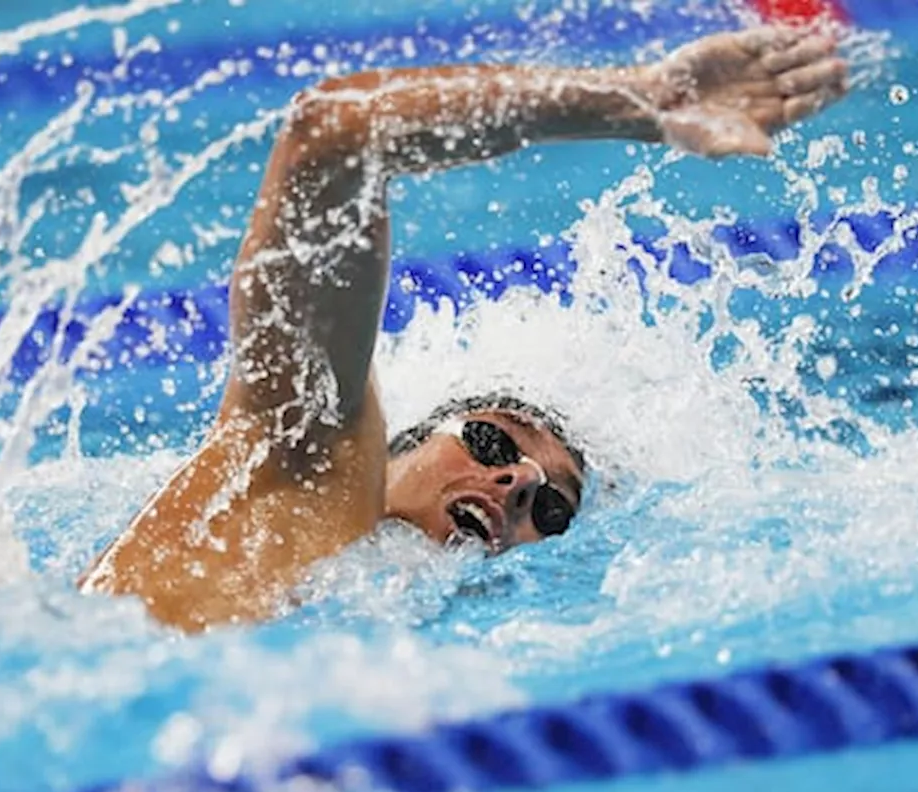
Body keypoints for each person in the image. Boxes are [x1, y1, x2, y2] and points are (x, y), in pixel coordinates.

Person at [78, 23, 849, 633]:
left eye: (553, 511)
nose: (519, 482)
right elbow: (333, 133)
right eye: (489, 440)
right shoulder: (304, 465)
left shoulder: (386, 643)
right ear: (396, 444)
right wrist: (642, 99)